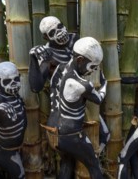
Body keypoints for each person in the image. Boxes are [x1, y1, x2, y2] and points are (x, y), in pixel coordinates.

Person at [28, 16, 110, 154]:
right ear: (45, 37)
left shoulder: (75, 39)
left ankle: (96, 156)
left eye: (60, 27)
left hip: (88, 93)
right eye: (53, 32)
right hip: (67, 103)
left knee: (104, 134)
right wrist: (33, 59)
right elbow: (35, 87)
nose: (59, 32)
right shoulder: (47, 55)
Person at [41, 37, 107, 179]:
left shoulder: (61, 68)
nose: (93, 71)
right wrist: (105, 83)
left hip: (52, 130)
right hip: (70, 136)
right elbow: (99, 98)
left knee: (67, 161)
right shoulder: (81, 84)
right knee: (94, 165)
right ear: (80, 60)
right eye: (92, 67)